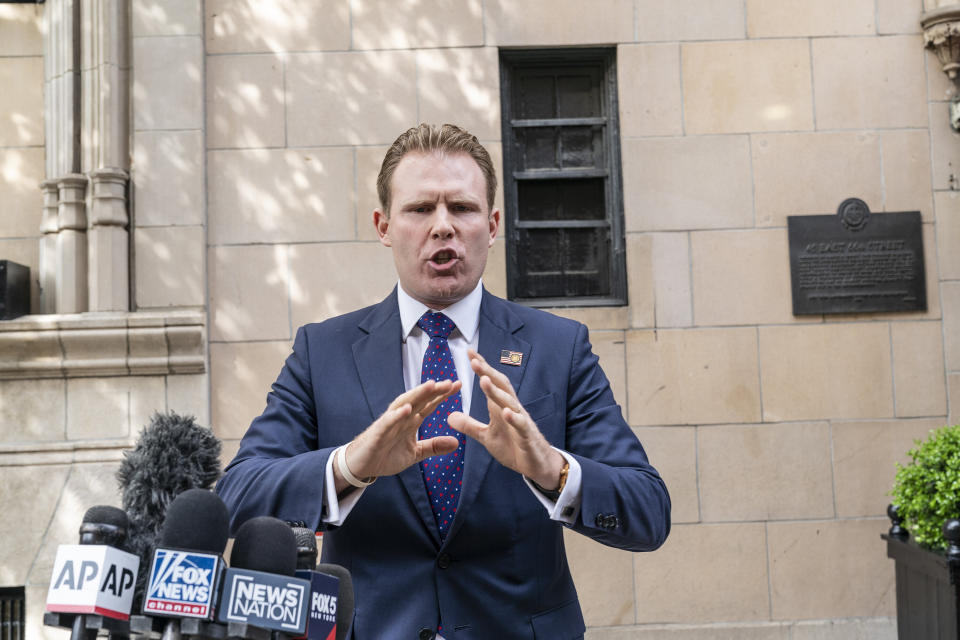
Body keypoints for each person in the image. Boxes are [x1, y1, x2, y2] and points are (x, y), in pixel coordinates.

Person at [216, 123, 670, 640]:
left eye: (462, 208)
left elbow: (648, 512)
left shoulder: (558, 348)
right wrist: (349, 466)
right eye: (418, 209)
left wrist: (552, 469)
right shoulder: (323, 351)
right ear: (383, 225)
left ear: (493, 224)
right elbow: (236, 497)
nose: (442, 227)